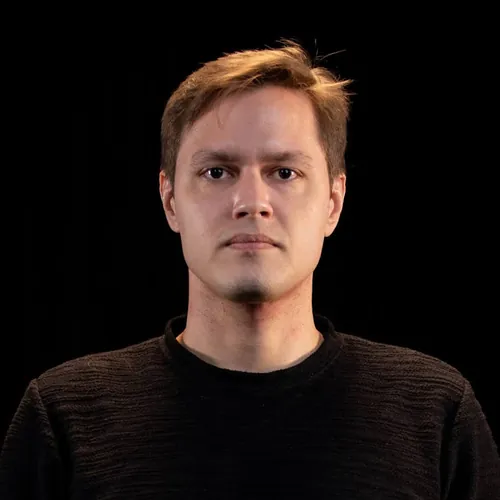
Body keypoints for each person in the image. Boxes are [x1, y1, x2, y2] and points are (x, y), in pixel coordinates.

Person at [2, 40, 499, 499]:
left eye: (284, 172)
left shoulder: (435, 413)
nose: (251, 202)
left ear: (333, 202)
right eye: (217, 172)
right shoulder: (64, 416)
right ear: (170, 200)